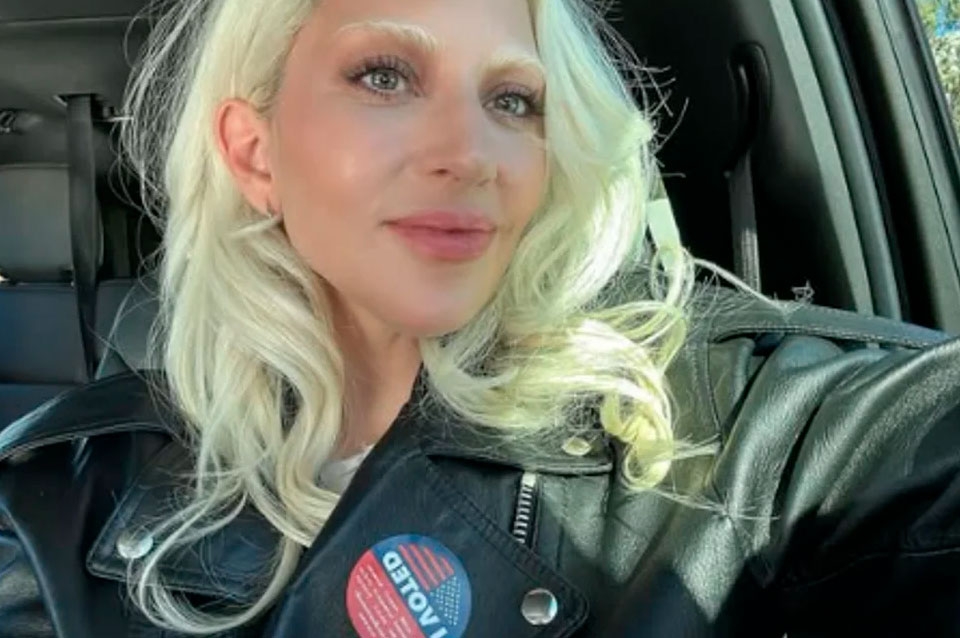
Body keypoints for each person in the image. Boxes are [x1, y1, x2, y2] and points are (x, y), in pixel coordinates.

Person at [1, 0, 959, 635]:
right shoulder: (56, 491)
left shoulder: (729, 424)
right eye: (384, 75)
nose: (470, 152)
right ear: (255, 154)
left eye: (513, 99)